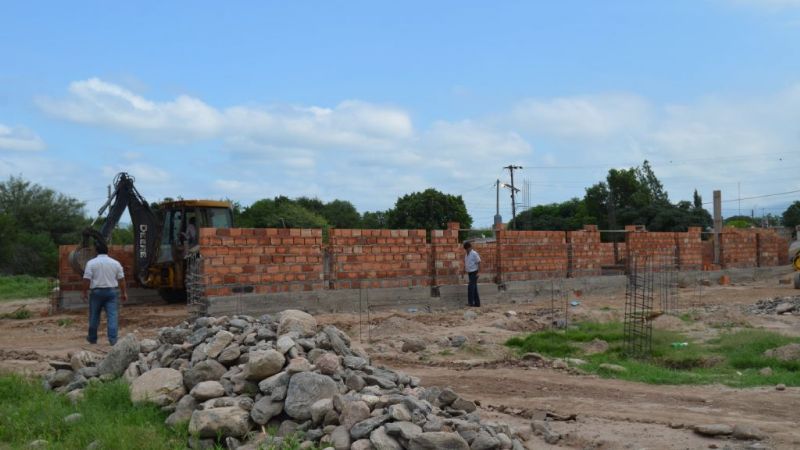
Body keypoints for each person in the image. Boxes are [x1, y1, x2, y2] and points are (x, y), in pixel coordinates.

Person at [81, 241, 127, 345]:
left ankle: (92, 339)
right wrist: (124, 293)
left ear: (96, 251)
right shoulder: (115, 263)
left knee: (94, 316)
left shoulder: (91, 263)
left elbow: (86, 279)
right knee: (112, 316)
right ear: (107, 251)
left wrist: (84, 292)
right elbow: (122, 279)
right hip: (111, 293)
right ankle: (113, 340)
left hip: (96, 293)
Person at [463, 241, 481, 307]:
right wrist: (463, 271)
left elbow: (479, 262)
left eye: (468, 248)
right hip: (470, 273)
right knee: (474, 288)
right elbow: (466, 263)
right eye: (466, 249)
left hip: (474, 272)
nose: (467, 250)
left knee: (470, 288)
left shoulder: (474, 253)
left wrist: (479, 272)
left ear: (470, 247)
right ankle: (477, 303)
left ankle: (471, 303)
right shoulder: (466, 254)